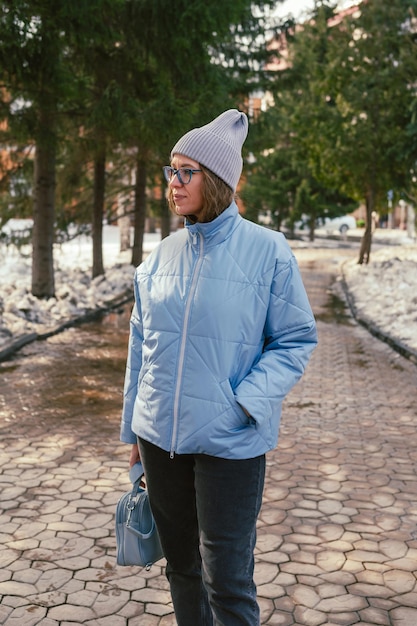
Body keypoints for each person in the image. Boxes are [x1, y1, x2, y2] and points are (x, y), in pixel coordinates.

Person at [120, 109, 318, 626]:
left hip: (231, 442)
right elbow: (140, 347)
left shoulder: (267, 251)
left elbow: (296, 339)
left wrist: (246, 401)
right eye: (171, 170)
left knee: (226, 578)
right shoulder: (160, 256)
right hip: (162, 442)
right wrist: (134, 433)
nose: (174, 183)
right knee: (182, 570)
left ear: (218, 181)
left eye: (187, 171)